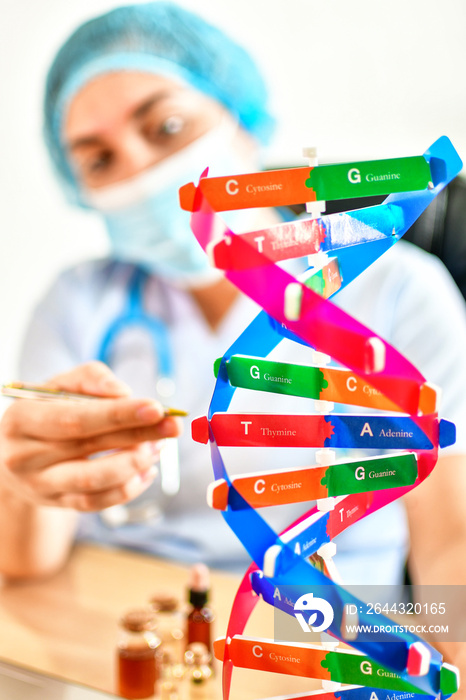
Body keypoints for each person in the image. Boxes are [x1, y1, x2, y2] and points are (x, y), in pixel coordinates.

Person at [0, 0, 466, 684]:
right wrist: (30, 480)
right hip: (118, 633)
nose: (141, 173)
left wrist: (443, 662)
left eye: (166, 126)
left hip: (326, 642)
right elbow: (22, 563)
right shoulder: (79, 301)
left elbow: (452, 542)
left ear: (244, 122)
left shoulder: (399, 294)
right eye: (98, 160)